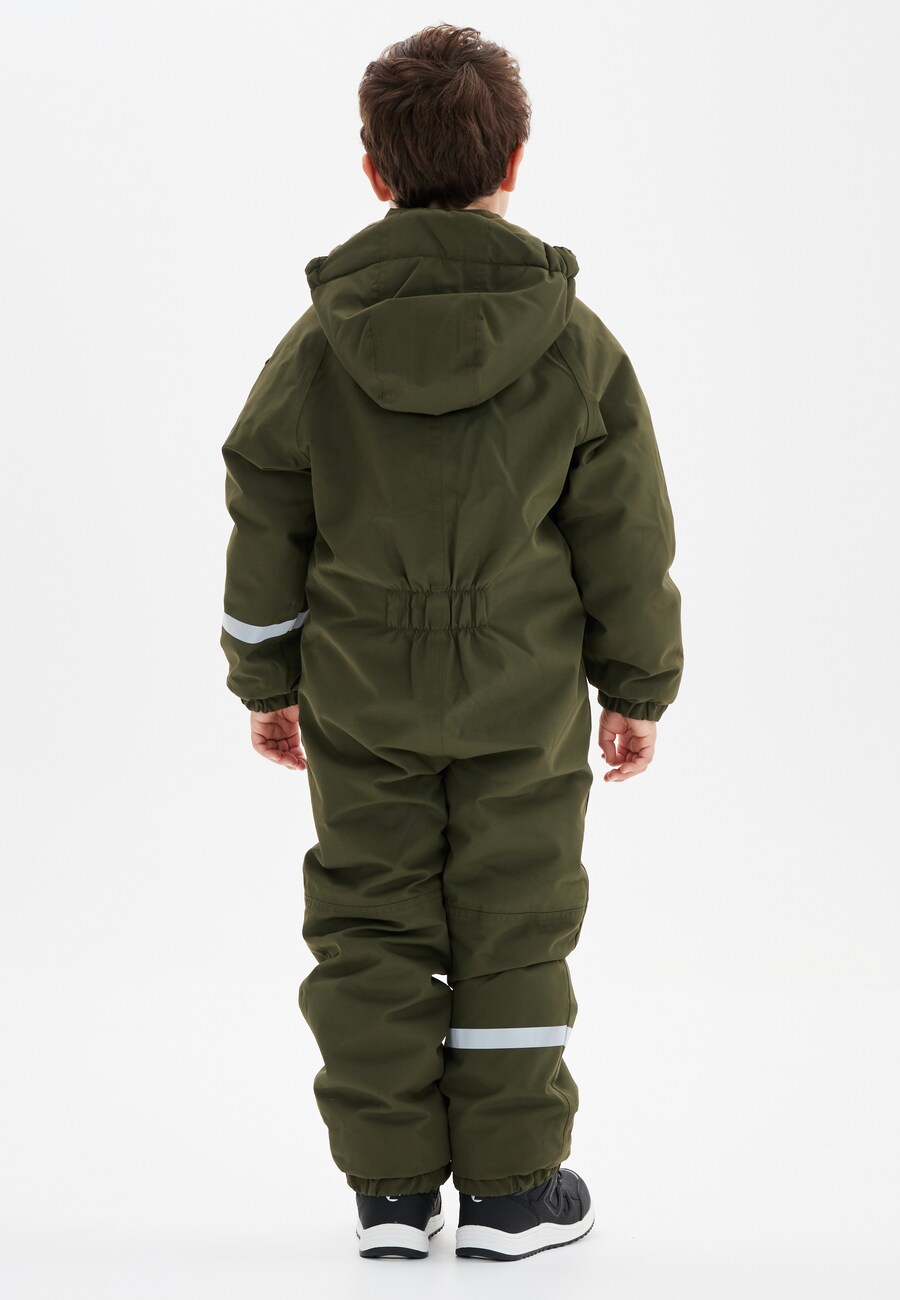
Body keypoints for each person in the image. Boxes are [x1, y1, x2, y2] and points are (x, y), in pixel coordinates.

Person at [219, 22, 683, 1263]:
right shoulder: (575, 344)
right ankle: (512, 1197)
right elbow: (625, 531)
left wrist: (266, 674)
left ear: (374, 170)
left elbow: (266, 505)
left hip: (360, 692)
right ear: (516, 163)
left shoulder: (320, 345)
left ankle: (389, 1194)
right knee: (513, 923)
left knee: (369, 923)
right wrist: (636, 687)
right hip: (521, 699)